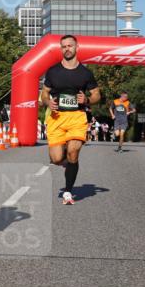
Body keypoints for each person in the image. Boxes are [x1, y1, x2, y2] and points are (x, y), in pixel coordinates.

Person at [42, 35, 100, 205]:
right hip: (56, 117)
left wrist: (87, 100)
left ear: (76, 47)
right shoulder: (53, 71)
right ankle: (67, 163)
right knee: (56, 158)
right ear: (61, 49)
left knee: (73, 151)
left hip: (77, 117)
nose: (67, 49)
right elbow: (45, 93)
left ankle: (68, 191)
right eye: (64, 46)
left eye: (70, 46)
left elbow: (97, 94)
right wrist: (47, 102)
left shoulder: (85, 73)